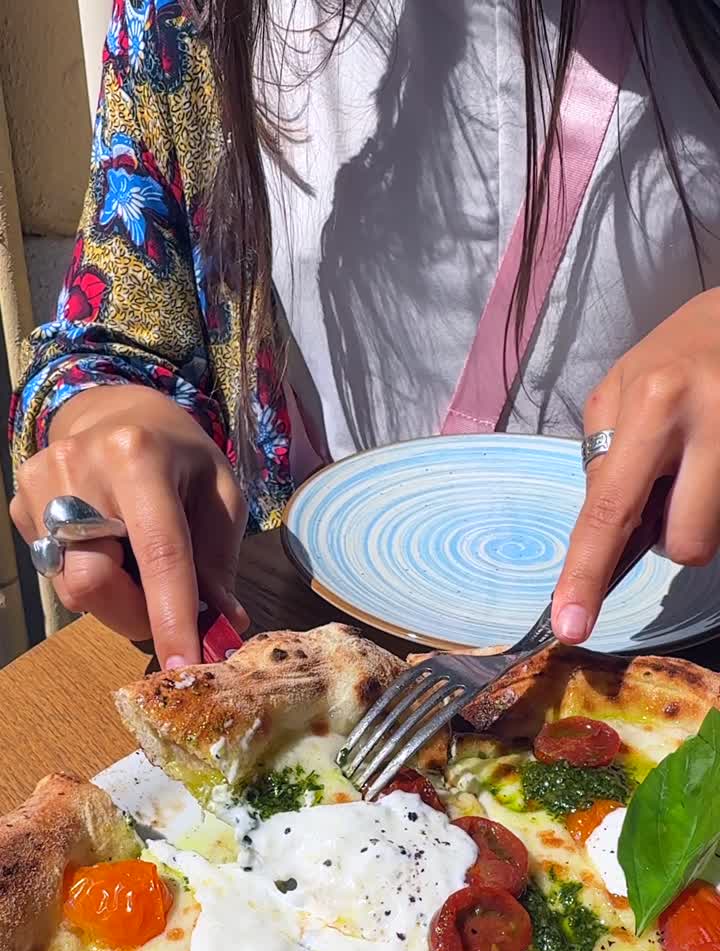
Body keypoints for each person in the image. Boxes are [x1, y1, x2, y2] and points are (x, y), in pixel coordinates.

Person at [9, 0, 720, 670]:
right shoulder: (191, 15)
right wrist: (108, 423)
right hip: (320, 661)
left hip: (669, 671)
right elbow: (107, 338)